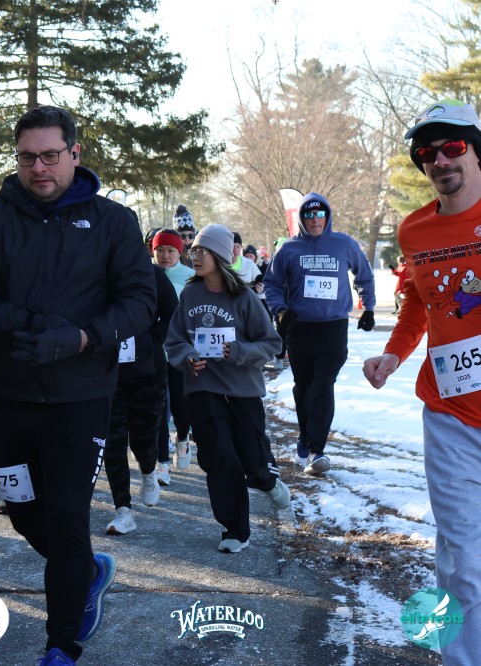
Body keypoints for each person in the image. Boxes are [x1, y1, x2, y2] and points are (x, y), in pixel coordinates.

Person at [0, 105, 156, 665]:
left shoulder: (113, 221)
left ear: (74, 154)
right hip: (6, 398)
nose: (39, 167)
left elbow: (141, 301)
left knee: (66, 516)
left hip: (79, 399)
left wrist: (82, 338)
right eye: (27, 157)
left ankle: (61, 646)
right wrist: (33, 327)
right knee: (22, 511)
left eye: (50, 156)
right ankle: (88, 570)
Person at [363, 98, 481, 666]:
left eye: (452, 146)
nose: (439, 160)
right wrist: (393, 355)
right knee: (462, 556)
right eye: (427, 153)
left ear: (476, 151)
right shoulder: (415, 231)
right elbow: (417, 301)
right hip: (451, 413)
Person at [165, 224, 290, 553]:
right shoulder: (190, 295)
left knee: (252, 460)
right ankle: (235, 529)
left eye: (202, 252)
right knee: (219, 457)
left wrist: (237, 351)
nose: (195, 257)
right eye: (194, 251)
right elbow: (175, 340)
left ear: (219, 257)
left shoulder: (244, 297)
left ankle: (266, 478)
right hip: (202, 387)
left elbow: (272, 344)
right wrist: (187, 357)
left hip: (241, 390)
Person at [264, 192, 376, 475]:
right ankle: (305, 438)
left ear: (327, 216)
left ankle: (317, 450)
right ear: (302, 219)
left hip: (334, 327)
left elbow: (364, 274)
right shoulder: (289, 249)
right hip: (300, 328)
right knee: (303, 388)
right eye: (309, 215)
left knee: (323, 385)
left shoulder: (344, 244)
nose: (315, 220)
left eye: (320, 214)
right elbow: (272, 284)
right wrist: (280, 311)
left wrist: (369, 308)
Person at [103, 252, 177, 534]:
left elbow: (172, 311)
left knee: (144, 437)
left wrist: (153, 338)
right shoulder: (95, 271)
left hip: (147, 370)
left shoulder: (152, 273)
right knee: (112, 441)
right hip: (106, 372)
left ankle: (148, 471)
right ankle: (123, 510)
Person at [151, 229, 195, 478]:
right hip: (153, 351)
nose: (165, 255)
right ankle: (162, 462)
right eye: (160, 250)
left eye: (170, 250)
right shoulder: (145, 274)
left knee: (180, 404)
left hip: (179, 351)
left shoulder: (190, 277)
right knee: (157, 407)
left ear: (180, 252)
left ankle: (183, 438)